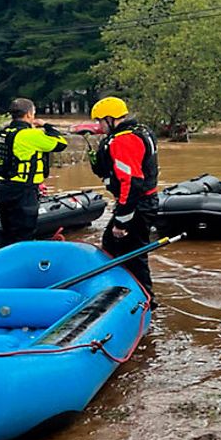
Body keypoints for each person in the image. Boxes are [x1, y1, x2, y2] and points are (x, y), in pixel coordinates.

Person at [89, 96, 160, 296]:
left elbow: (132, 183)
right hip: (140, 202)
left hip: (137, 204)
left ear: (110, 119)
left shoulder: (123, 141)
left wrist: (122, 221)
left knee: (133, 254)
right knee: (111, 245)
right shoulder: (139, 131)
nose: (99, 126)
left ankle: (144, 299)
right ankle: (121, 290)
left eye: (100, 121)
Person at [0, 98, 68, 245]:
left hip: (4, 189)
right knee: (24, 234)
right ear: (28, 115)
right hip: (23, 192)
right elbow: (61, 143)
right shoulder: (30, 135)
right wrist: (45, 125)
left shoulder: (3, 132)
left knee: (8, 232)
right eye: (33, 114)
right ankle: (24, 263)